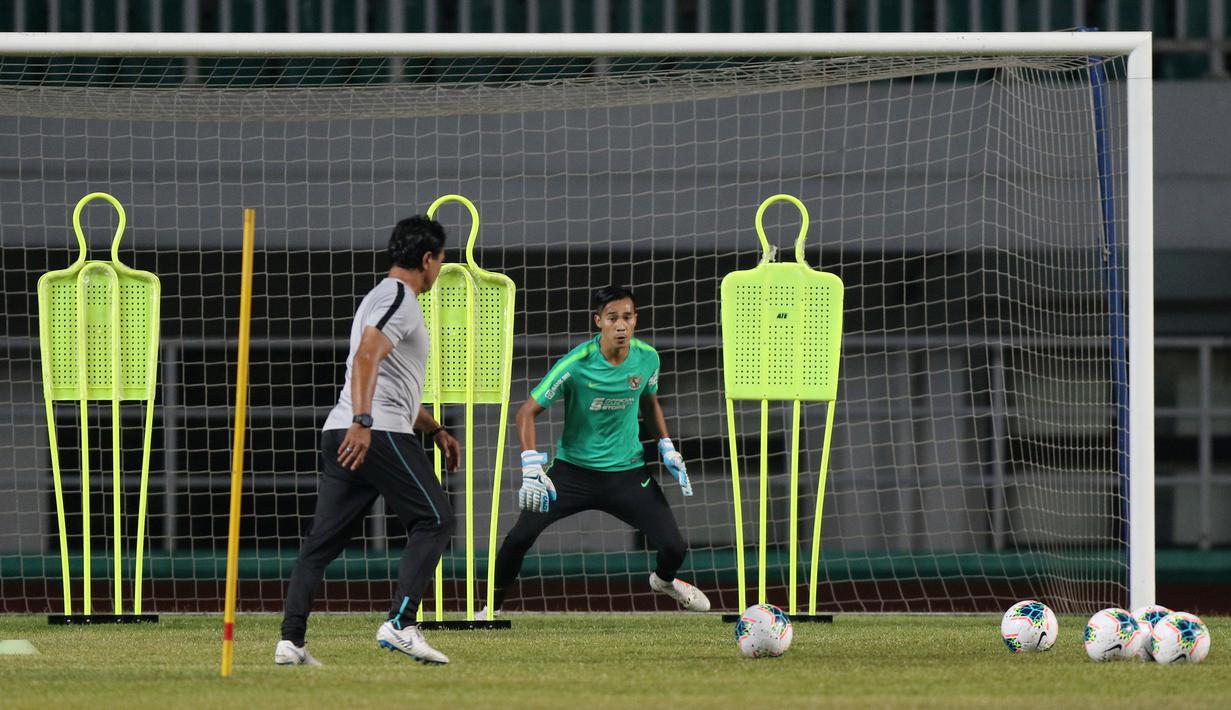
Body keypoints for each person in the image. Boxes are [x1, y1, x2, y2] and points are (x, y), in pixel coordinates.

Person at [275, 215, 462, 667]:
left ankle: (290, 642)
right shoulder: (401, 297)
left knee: (319, 544)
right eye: (441, 260)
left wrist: (435, 429)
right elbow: (365, 358)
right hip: (374, 431)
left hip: (350, 429)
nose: (440, 269)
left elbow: (391, 382)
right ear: (427, 259)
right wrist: (363, 421)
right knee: (435, 520)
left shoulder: (378, 297)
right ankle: (401, 623)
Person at [481, 285, 710, 616]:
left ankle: (663, 581)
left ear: (635, 320)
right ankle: (490, 609)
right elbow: (525, 412)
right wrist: (530, 465)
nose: (620, 325)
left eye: (627, 318)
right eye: (613, 318)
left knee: (675, 547)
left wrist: (667, 445)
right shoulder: (577, 363)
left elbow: (649, 400)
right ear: (598, 321)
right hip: (572, 474)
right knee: (518, 538)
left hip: (627, 475)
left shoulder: (648, 358)